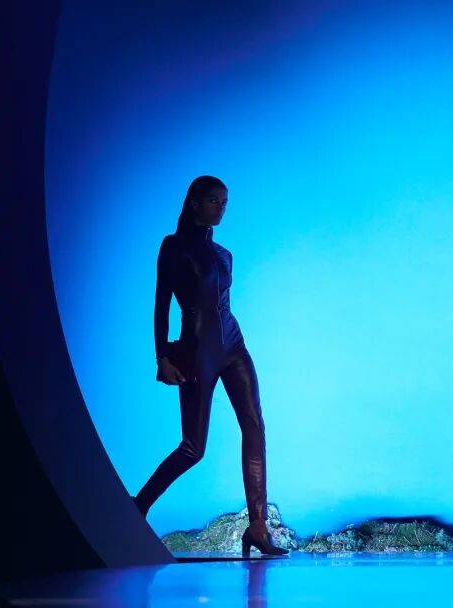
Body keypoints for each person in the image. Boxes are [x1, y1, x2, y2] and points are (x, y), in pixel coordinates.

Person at [131, 175, 288, 556]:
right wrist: (162, 357)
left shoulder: (224, 254)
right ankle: (139, 505)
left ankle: (258, 527)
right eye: (214, 201)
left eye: (225, 202)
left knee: (254, 425)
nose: (221, 208)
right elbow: (161, 304)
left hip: (234, 345)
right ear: (194, 202)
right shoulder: (173, 246)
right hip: (197, 351)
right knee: (193, 448)